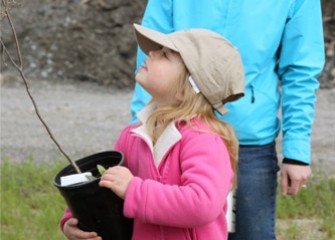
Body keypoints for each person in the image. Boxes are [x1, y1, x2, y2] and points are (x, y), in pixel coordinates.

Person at [129, 1, 325, 239]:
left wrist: (296, 150)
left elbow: (300, 69)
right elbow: (150, 53)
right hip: (175, 133)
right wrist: (141, 129)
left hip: (250, 143)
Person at [60, 24, 245, 240]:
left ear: (186, 89)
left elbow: (202, 204)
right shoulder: (133, 134)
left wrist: (133, 190)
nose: (151, 53)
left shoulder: (204, 140)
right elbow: (108, 185)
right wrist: (74, 219)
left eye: (165, 55)